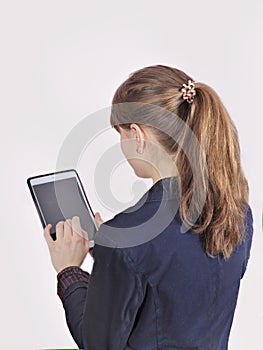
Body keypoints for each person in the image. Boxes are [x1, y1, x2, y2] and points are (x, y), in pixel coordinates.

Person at [44, 65, 253, 350]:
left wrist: (68, 270)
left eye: (120, 134)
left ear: (137, 135)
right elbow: (178, 296)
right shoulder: (237, 215)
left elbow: (98, 344)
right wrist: (112, 263)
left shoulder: (124, 235)